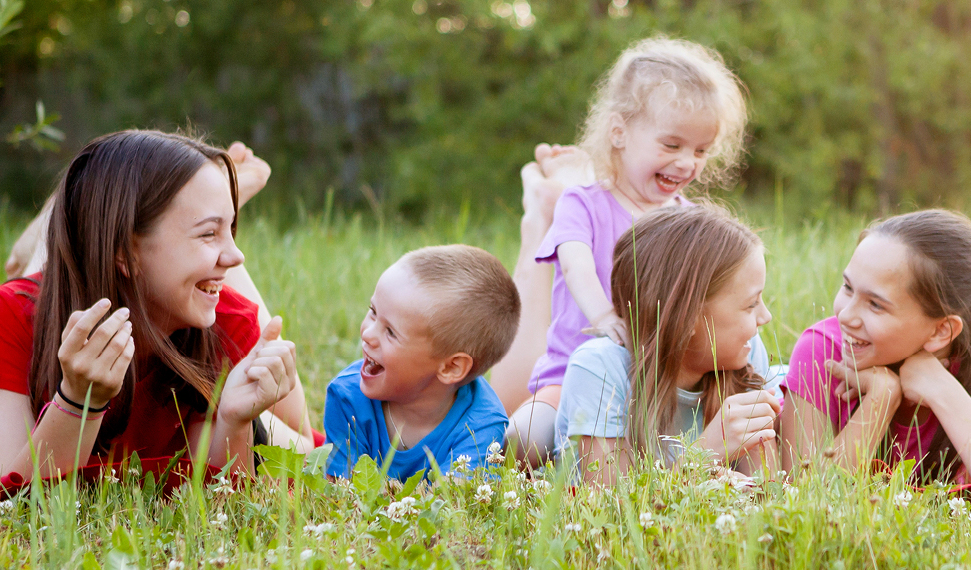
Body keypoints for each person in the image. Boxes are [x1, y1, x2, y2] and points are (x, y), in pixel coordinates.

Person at [0, 130, 316, 494]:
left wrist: (235, 422)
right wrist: (79, 402)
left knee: (301, 439)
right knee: (57, 288)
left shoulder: (223, 319)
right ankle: (63, 219)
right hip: (73, 298)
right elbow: (0, 506)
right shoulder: (12, 315)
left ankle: (91, 211)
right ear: (125, 250)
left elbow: (229, 494)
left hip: (149, 274)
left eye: (230, 229)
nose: (238, 255)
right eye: (209, 233)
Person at [500, 37, 751, 468]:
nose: (687, 163)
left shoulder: (686, 220)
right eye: (672, 146)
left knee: (660, 448)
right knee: (525, 437)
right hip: (571, 376)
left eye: (701, 150)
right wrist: (603, 318)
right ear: (619, 132)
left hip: (654, 383)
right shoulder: (585, 203)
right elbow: (576, 262)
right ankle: (546, 189)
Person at [779, 210, 971, 495]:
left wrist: (943, 391)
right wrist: (882, 397)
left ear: (940, 331)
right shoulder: (822, 352)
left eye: (875, 305)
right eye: (848, 287)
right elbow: (806, 495)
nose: (846, 315)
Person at [555, 204, 779, 484]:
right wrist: (707, 452)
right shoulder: (600, 369)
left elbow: (769, 491)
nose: (765, 317)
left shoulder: (746, 352)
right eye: (751, 305)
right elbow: (609, 508)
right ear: (688, 318)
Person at [323, 245, 518, 480]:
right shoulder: (347, 398)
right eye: (373, 312)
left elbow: (450, 507)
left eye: (391, 332)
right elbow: (339, 497)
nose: (367, 334)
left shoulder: (481, 425)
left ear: (451, 367)